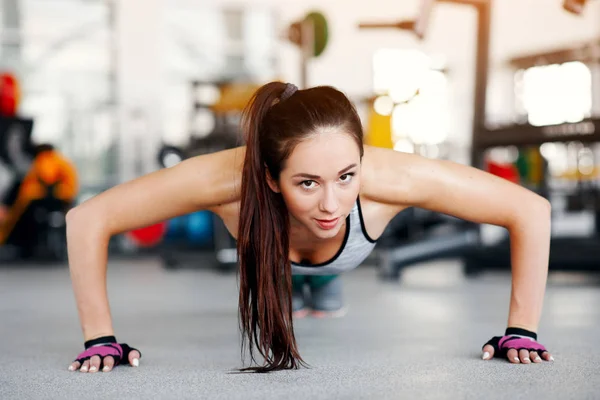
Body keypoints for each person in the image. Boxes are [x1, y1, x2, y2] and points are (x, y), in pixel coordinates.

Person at [66, 82, 553, 374]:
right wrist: (99, 338)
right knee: (302, 267)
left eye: (347, 176)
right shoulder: (222, 181)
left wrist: (521, 331)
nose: (330, 203)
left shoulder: (394, 179)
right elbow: (87, 219)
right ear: (270, 179)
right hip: (277, 254)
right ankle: (305, 282)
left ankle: (322, 280)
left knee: (325, 264)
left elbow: (530, 211)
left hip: (345, 251)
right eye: (306, 183)